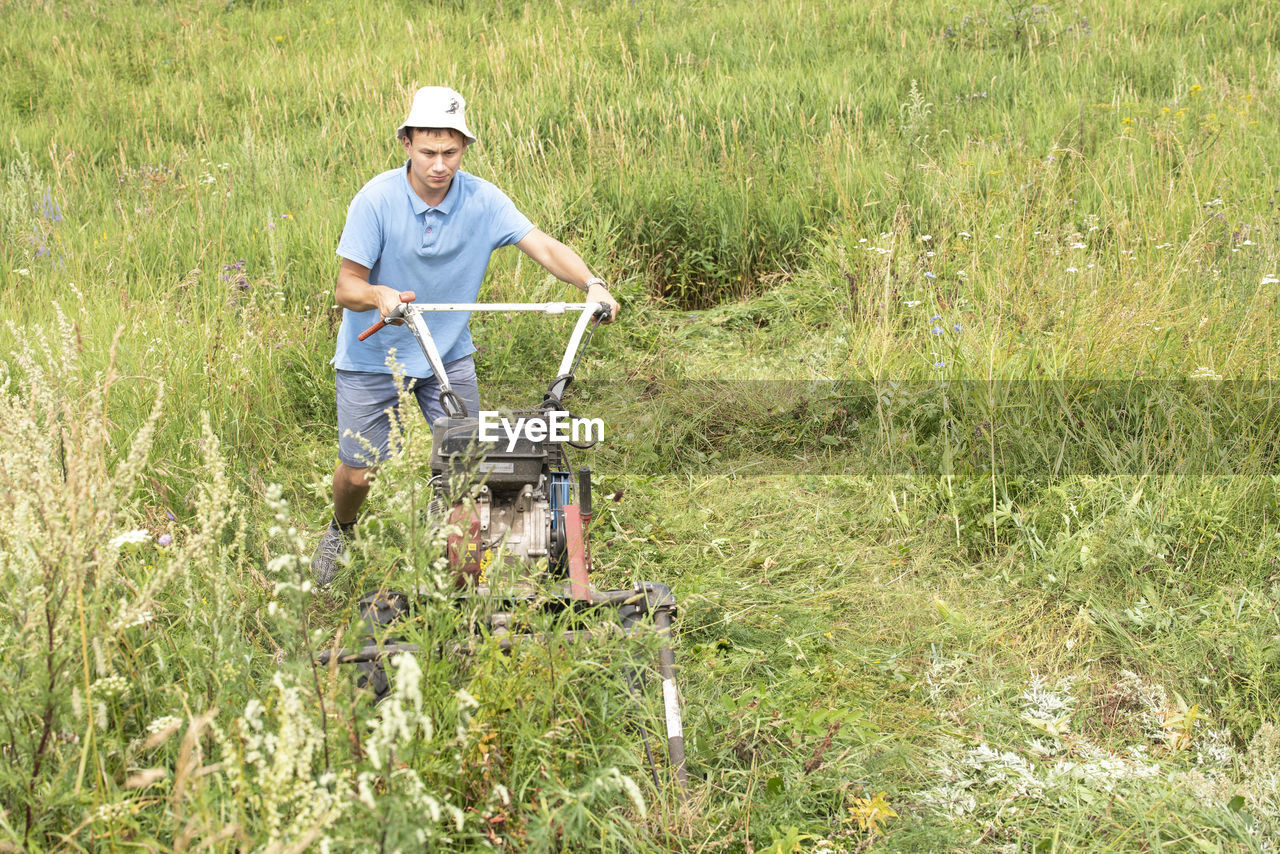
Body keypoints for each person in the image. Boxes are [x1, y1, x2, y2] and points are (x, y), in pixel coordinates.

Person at [311, 86, 619, 585]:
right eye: (428, 151)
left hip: (446, 352)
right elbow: (347, 286)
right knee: (358, 472)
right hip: (375, 354)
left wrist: (593, 284)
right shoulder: (375, 201)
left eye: (450, 152)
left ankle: (464, 555)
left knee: (472, 464)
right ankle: (341, 529)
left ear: (464, 149)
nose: (439, 164)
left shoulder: (483, 200)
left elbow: (541, 245)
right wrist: (380, 294)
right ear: (406, 143)